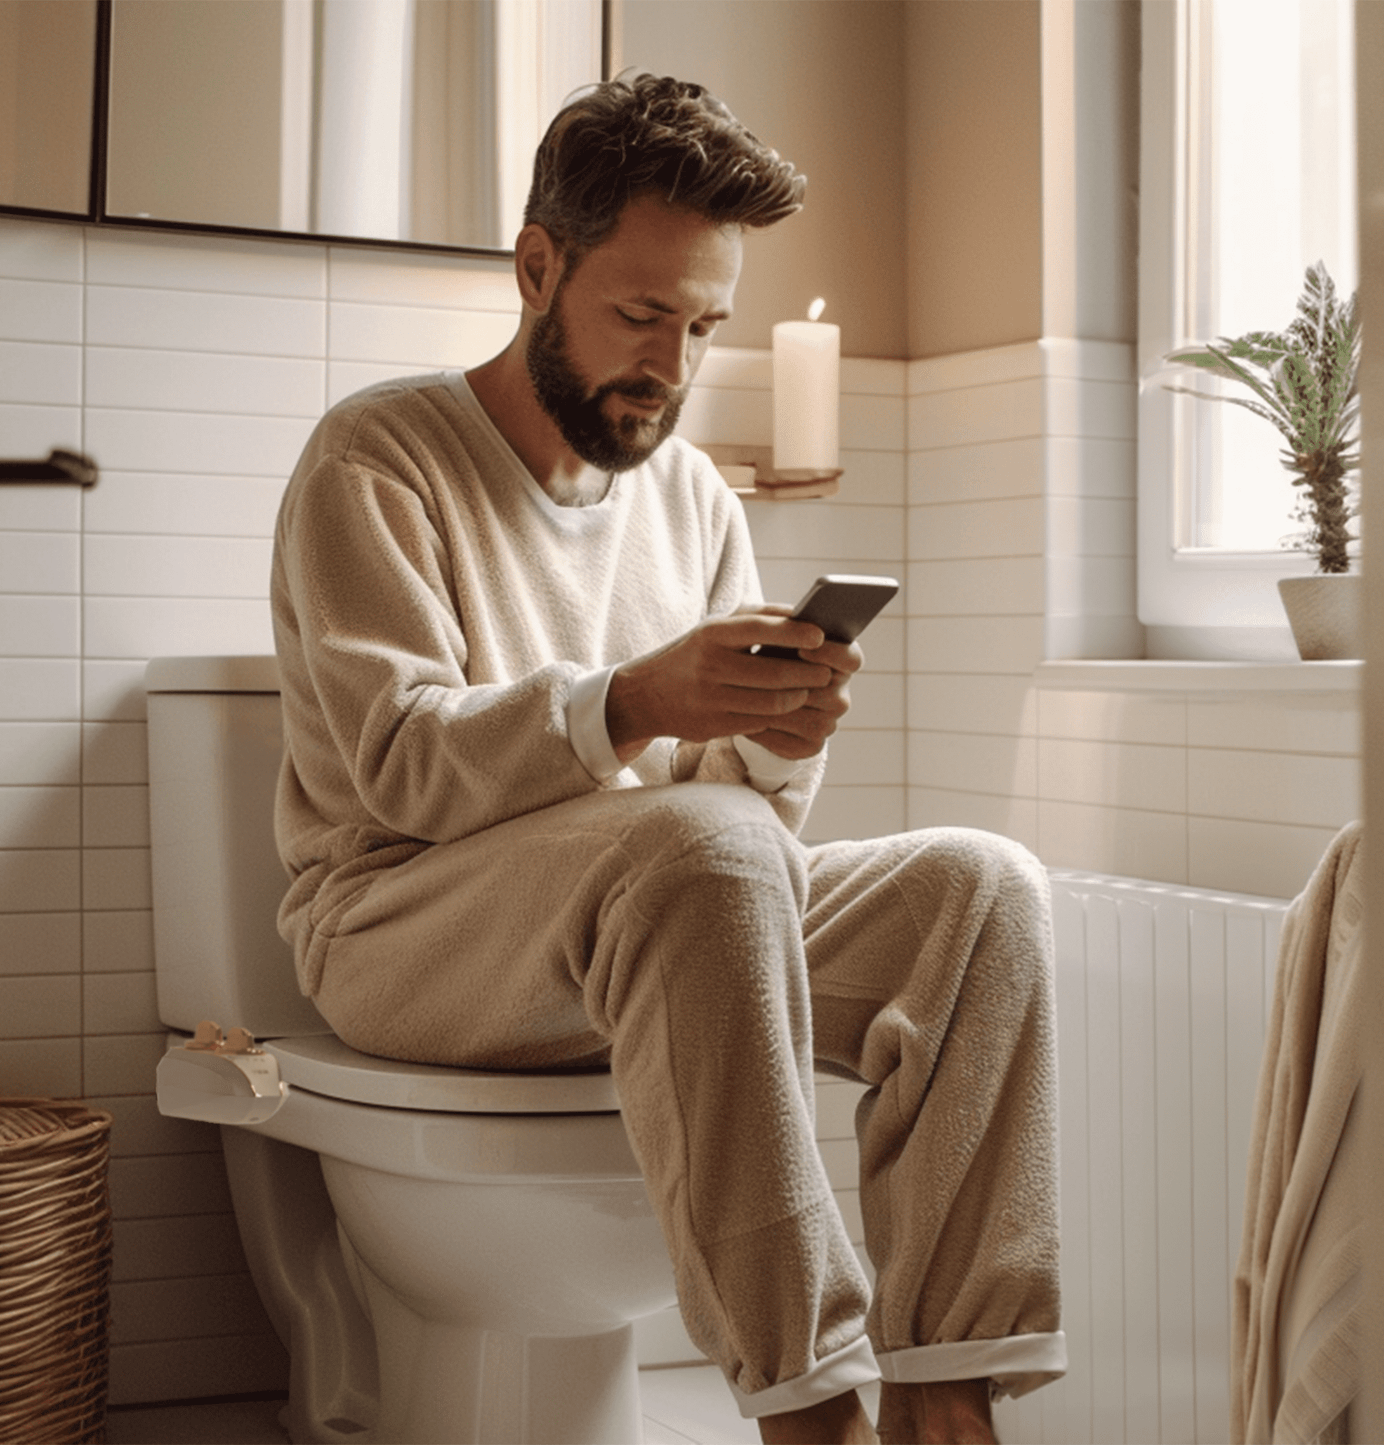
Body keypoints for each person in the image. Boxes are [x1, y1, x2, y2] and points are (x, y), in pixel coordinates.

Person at [270, 74, 1065, 1445]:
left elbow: (726, 827)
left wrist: (771, 742)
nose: (673, 366)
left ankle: (948, 1403)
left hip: (655, 905)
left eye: (703, 326)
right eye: (642, 316)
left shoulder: (691, 495)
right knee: (699, 851)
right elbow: (400, 766)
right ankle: (813, 1415)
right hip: (405, 924)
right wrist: (637, 701)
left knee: (979, 893)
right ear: (537, 268)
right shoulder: (377, 457)